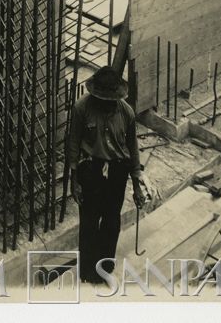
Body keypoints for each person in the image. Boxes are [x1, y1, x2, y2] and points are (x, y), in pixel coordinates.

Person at [66, 66, 148, 285]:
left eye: (111, 100)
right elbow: (73, 144)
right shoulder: (81, 108)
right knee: (89, 222)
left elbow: (132, 148)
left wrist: (137, 184)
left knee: (112, 221)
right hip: (91, 170)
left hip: (117, 171)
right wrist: (74, 180)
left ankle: (104, 269)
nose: (107, 104)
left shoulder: (126, 113)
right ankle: (87, 272)